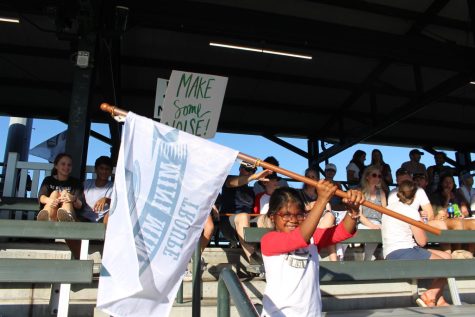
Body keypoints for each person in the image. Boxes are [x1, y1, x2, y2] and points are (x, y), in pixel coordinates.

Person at [260, 183, 364, 316]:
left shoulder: (312, 239)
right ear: (272, 217)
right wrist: (322, 200)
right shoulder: (269, 240)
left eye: (299, 215)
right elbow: (299, 238)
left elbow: (343, 231)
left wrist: (353, 211)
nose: (293, 220)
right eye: (285, 215)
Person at [382, 180, 451, 307]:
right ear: (414, 196)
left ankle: (438, 299)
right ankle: (429, 295)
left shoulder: (388, 208)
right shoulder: (411, 211)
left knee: (447, 257)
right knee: (447, 265)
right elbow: (422, 242)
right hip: (405, 251)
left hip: (392, 252)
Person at [221, 161, 272, 263]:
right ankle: (253, 260)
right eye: (248, 170)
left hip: (246, 222)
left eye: (253, 171)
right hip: (228, 223)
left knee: (265, 218)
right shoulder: (229, 180)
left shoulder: (250, 191)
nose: (250, 173)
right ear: (240, 169)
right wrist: (254, 177)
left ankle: (267, 254)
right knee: (244, 216)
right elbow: (233, 183)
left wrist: (268, 185)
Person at [299, 167, 337, 261]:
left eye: (313, 176)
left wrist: (325, 209)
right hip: (306, 221)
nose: (310, 178)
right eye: (308, 176)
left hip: (321, 222)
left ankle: (332, 259)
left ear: (317, 180)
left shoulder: (321, 193)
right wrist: (308, 208)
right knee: (328, 231)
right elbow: (296, 211)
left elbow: (328, 208)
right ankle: (332, 259)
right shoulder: (298, 193)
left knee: (329, 217)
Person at [37, 153, 83, 222]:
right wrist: (50, 200)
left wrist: (72, 198)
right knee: (54, 193)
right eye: (63, 164)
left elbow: (80, 205)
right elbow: (41, 197)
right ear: (56, 166)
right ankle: (46, 216)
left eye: (69, 165)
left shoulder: (76, 182)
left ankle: (67, 217)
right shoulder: (48, 180)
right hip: (52, 214)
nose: (66, 167)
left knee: (65, 194)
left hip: (71, 214)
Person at [357, 165, 387, 260]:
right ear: (367, 176)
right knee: (375, 230)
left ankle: (375, 256)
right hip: (362, 222)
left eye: (379, 176)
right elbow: (359, 215)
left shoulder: (381, 192)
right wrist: (372, 226)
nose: (377, 178)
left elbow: (385, 213)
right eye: (374, 175)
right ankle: (368, 258)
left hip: (378, 223)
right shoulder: (360, 192)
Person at [78, 156, 113, 223]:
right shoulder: (87, 183)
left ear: (111, 171)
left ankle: (104, 233)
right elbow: (78, 198)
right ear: (96, 170)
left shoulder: (114, 187)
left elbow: (119, 204)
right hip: (84, 218)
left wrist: (107, 200)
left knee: (109, 215)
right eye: (101, 168)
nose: (104, 171)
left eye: (107, 169)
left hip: (102, 219)